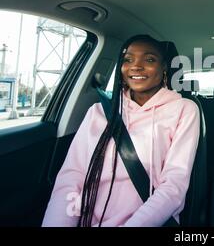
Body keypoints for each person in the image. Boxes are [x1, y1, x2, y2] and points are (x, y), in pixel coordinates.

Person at [42, 35, 200, 227]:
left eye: (149, 59)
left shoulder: (184, 109)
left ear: (164, 67)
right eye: (128, 60)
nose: (136, 66)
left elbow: (174, 185)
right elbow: (72, 177)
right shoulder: (98, 112)